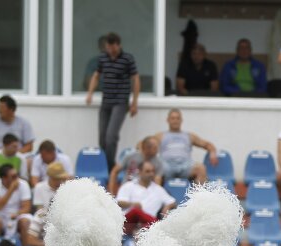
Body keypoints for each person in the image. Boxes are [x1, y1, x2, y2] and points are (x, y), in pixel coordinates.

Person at [85, 33, 139, 172]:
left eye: (113, 47)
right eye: (108, 47)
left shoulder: (127, 59)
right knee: (102, 137)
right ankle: (105, 165)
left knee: (111, 136)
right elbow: (96, 75)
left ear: (118, 45)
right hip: (106, 101)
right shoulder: (103, 58)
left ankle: (110, 168)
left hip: (120, 102)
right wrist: (90, 93)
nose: (111, 50)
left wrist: (134, 102)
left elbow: (135, 79)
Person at [152, 109, 217, 184]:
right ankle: (156, 195)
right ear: (168, 120)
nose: (175, 121)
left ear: (181, 120)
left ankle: (198, 195)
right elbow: (144, 144)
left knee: (201, 168)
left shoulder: (189, 136)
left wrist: (213, 152)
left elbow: (207, 144)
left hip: (185, 165)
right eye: (173, 118)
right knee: (155, 168)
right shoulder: (160, 136)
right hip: (166, 165)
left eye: (178, 118)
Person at [0, 164, 32, 241]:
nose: (17, 178)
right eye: (13, 176)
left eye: (17, 175)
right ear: (4, 178)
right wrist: (11, 189)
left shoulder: (23, 184)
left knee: (25, 222)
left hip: (17, 215)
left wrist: (17, 214)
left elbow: (27, 207)